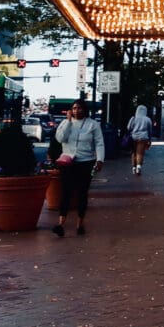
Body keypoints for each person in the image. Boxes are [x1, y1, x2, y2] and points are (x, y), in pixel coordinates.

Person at [53, 100, 104, 237]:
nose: (76, 111)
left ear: (85, 110)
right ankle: (60, 224)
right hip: (68, 162)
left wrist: (100, 159)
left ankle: (80, 223)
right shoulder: (65, 123)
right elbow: (60, 138)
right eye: (74, 108)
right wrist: (69, 122)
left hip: (85, 162)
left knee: (82, 193)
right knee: (66, 193)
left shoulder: (93, 125)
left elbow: (99, 143)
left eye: (79, 108)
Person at [126, 104, 153, 174]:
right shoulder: (147, 119)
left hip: (133, 137)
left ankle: (133, 168)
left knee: (134, 152)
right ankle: (138, 167)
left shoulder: (133, 118)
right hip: (143, 138)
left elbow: (128, 128)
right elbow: (150, 130)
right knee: (140, 153)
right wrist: (150, 140)